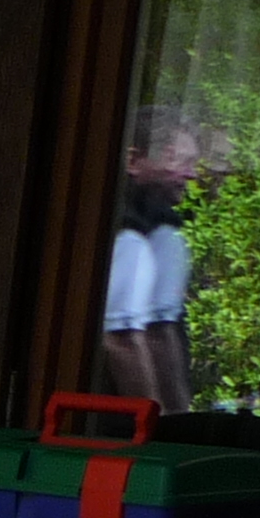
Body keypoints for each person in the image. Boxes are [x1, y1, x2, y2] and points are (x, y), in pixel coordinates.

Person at [101, 107, 199, 414]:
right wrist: (162, 428)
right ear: (133, 161)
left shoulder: (157, 235)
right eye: (176, 159)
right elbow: (125, 340)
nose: (191, 174)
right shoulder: (128, 240)